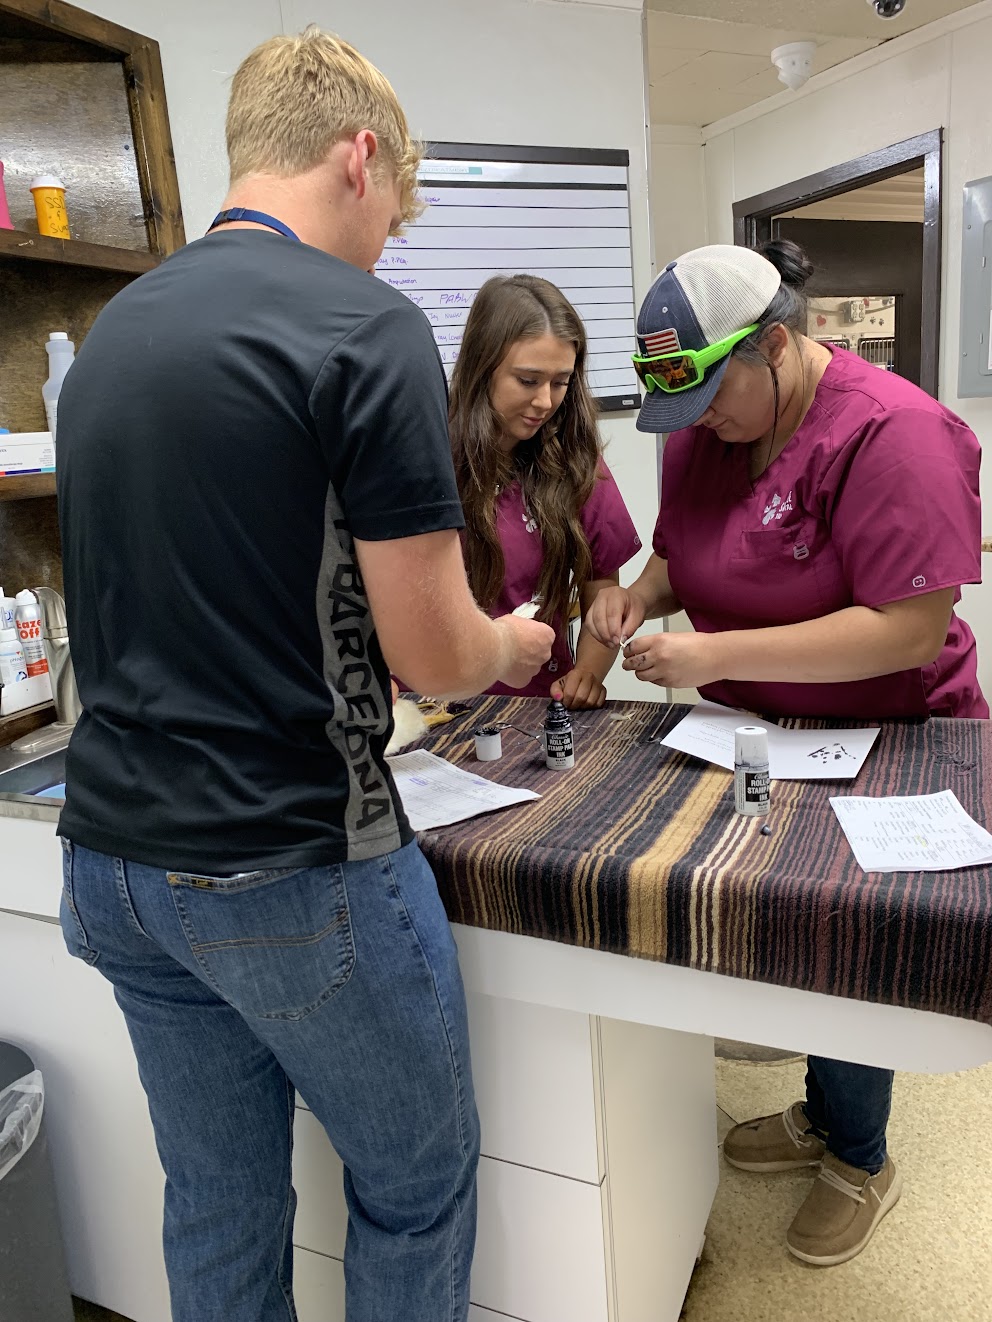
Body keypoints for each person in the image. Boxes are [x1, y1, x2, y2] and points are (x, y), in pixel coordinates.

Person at [55, 28, 552, 1322]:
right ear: (360, 155)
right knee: (414, 1183)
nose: (392, 238)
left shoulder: (109, 340)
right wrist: (511, 641)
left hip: (110, 864)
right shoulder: (363, 324)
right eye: (398, 206)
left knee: (217, 1197)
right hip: (285, 865)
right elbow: (434, 651)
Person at [588, 239, 986, 1267]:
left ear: (774, 344)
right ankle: (819, 1109)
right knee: (786, 934)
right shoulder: (704, 431)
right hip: (760, 731)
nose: (701, 427)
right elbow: (680, 555)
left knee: (852, 949)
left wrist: (710, 650)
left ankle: (859, 1154)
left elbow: (902, 627)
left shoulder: (895, 433)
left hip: (894, 729)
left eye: (715, 399)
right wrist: (640, 593)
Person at [447, 274, 642, 709]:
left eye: (561, 382)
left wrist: (587, 674)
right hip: (431, 699)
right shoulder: (425, 455)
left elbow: (602, 594)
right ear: (483, 366)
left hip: (535, 704)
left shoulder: (575, 462)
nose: (545, 402)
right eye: (528, 380)